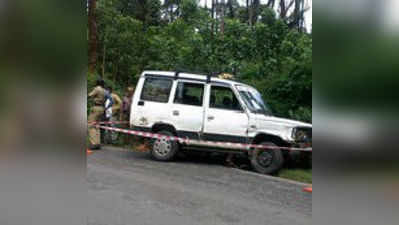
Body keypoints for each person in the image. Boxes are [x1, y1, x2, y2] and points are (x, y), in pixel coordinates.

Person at [88, 79, 106, 150]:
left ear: (97, 83)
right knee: (97, 126)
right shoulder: (104, 90)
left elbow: (89, 95)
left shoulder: (97, 89)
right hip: (101, 108)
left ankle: (93, 143)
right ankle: (98, 143)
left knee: (90, 125)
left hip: (96, 107)